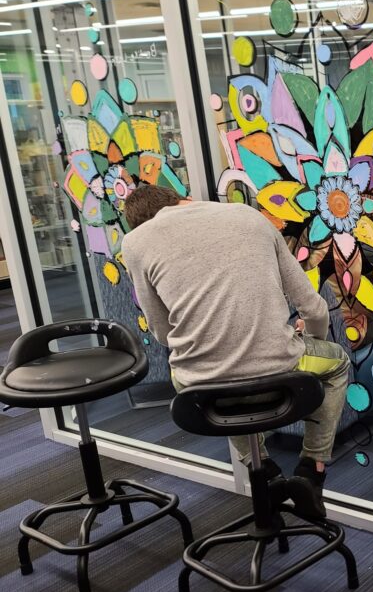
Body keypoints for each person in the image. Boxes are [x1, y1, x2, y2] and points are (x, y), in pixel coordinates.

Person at [120, 185, 350, 520]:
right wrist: (309, 339)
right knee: (337, 363)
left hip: (202, 386)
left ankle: (265, 473)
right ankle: (311, 469)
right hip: (281, 371)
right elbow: (313, 308)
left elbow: (163, 333)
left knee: (217, 378)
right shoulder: (248, 216)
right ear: (183, 201)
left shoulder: (135, 243)